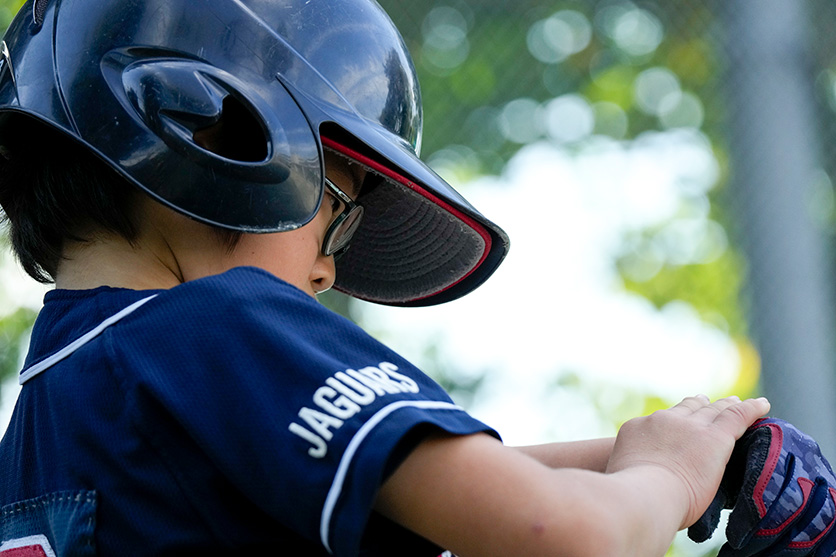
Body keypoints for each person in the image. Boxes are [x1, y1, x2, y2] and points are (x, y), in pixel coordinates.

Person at [0, 0, 782, 555]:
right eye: (337, 210)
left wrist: (683, 455)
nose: (327, 267)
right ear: (217, 132)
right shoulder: (215, 323)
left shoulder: (47, 416)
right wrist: (671, 474)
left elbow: (434, 483)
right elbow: (571, 536)